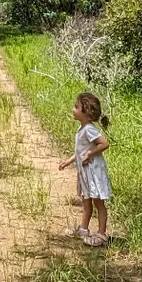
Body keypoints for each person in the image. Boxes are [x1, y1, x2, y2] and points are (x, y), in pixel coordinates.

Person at [58, 91, 112, 247]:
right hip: (86, 172)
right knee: (87, 201)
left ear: (87, 113)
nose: (73, 109)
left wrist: (91, 153)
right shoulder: (83, 129)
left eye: (76, 107)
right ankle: (83, 229)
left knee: (98, 203)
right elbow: (79, 152)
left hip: (93, 172)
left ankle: (102, 235)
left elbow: (104, 143)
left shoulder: (89, 129)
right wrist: (68, 162)